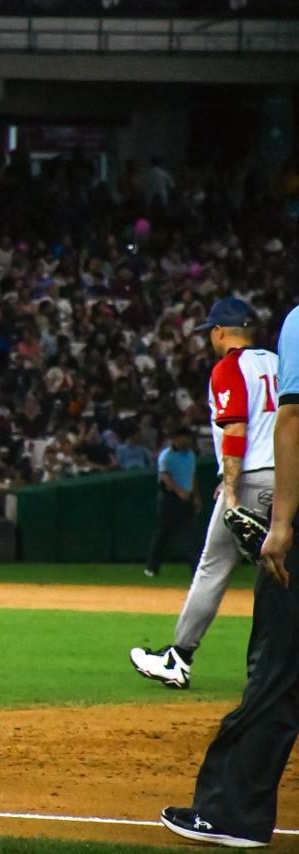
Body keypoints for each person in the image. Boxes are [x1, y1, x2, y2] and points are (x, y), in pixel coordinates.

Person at [159, 302, 299, 848]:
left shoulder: (242, 358)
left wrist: (258, 505)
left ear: (219, 333)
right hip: (279, 478)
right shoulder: (270, 353)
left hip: (271, 485)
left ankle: (233, 812)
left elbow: (283, 421)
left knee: (276, 662)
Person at [131, 299, 276, 690]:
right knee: (283, 573)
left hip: (251, 480)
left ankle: (179, 657)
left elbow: (235, 429)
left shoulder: (229, 366)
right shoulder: (281, 364)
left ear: (219, 331)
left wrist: (230, 491)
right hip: (288, 481)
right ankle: (276, 668)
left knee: (213, 567)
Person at [143, 426, 201, 579]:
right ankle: (151, 567)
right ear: (176, 438)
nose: (187, 440)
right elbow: (164, 477)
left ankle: (196, 570)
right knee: (162, 534)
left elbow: (193, 475)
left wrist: (196, 496)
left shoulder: (191, 455)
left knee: (191, 536)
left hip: (186, 499)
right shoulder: (166, 456)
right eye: (184, 437)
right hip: (169, 499)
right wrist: (179, 491)